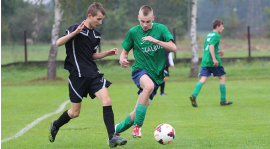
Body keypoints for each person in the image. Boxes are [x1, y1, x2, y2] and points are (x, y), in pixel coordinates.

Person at [48, 3, 127, 148]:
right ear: (89, 16)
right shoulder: (74, 28)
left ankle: (112, 137)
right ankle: (56, 124)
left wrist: (106, 53)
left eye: (102, 19)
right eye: (98, 19)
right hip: (77, 76)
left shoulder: (96, 35)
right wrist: (74, 33)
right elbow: (58, 42)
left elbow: (91, 55)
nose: (100, 22)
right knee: (74, 113)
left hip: (93, 74)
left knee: (107, 100)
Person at [117, 5, 177, 138]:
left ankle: (116, 130)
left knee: (135, 113)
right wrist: (122, 60)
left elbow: (173, 48)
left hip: (156, 75)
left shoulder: (161, 29)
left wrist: (156, 41)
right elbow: (124, 53)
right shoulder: (133, 32)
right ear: (138, 18)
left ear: (153, 19)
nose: (145, 24)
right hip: (140, 70)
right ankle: (137, 127)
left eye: (148, 21)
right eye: (142, 21)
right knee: (148, 86)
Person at [189, 19, 233, 107]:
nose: (223, 28)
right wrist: (214, 58)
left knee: (203, 79)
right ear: (217, 27)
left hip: (205, 60)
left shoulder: (209, 35)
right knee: (222, 78)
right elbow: (211, 46)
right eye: (221, 26)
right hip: (212, 61)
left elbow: (205, 48)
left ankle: (194, 95)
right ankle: (223, 100)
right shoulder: (216, 35)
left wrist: (217, 52)